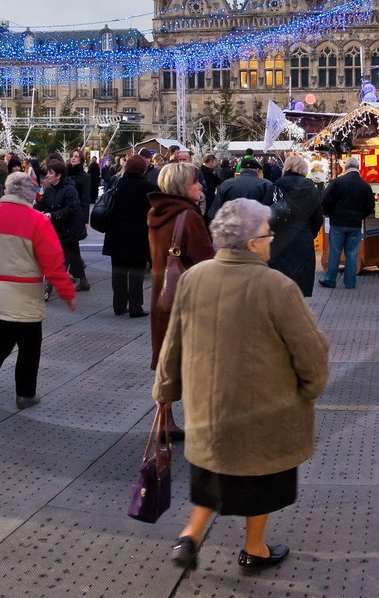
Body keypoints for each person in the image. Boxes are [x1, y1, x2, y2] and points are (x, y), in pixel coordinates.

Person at [157, 198, 330, 574]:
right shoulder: (276, 286)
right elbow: (311, 349)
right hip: (265, 408)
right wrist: (311, 389)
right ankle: (254, 548)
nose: (271, 241)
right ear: (252, 243)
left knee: (214, 472)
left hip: (209, 406)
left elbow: (174, 342)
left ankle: (190, 535)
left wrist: (165, 393)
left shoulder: (194, 278)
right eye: (268, 235)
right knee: (260, 476)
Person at [0, 172, 76, 409]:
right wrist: (67, 292)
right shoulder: (37, 220)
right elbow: (53, 262)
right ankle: (25, 394)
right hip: (25, 296)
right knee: (29, 347)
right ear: (30, 194)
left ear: (7, 190)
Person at [147, 161, 214, 371]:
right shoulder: (188, 216)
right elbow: (206, 260)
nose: (200, 186)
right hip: (188, 296)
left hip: (162, 291)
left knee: (167, 353)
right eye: (196, 182)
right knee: (190, 358)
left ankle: (163, 400)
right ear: (182, 185)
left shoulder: (156, 212)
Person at [103, 154, 158, 317]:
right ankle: (135, 306)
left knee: (118, 271)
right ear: (143, 168)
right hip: (138, 236)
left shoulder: (117, 183)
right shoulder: (147, 187)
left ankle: (118, 305)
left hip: (116, 234)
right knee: (136, 272)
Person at [267, 153, 323, 296]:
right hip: (303, 241)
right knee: (299, 289)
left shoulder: (276, 187)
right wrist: (310, 233)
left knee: (279, 287)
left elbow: (264, 213)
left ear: (286, 168)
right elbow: (317, 219)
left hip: (279, 242)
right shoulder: (313, 190)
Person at [320, 156, 375, 289]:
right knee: (352, 253)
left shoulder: (337, 183)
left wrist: (328, 213)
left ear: (345, 168)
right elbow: (371, 206)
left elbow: (325, 200)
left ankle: (330, 279)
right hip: (355, 224)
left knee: (335, 251)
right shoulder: (365, 185)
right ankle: (350, 282)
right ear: (358, 168)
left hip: (338, 223)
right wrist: (361, 216)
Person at [37, 155, 89, 292]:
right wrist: (27, 210)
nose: (47, 175)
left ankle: (49, 287)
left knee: (61, 258)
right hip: (59, 228)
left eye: (50, 173)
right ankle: (83, 281)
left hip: (69, 228)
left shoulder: (70, 190)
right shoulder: (49, 190)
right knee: (74, 255)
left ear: (58, 176)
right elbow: (41, 204)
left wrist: (52, 215)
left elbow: (70, 209)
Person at [207, 157, 275, 221]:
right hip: (257, 230)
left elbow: (213, 213)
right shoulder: (267, 185)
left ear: (240, 170)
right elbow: (273, 213)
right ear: (257, 170)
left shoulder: (226, 184)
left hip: (232, 228)